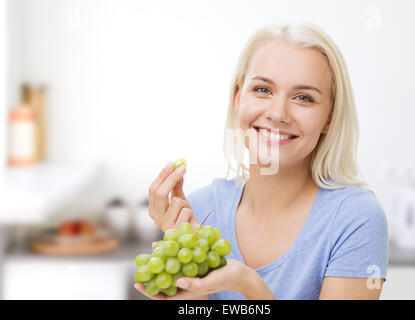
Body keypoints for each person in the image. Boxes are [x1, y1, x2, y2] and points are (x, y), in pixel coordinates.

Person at [135, 22, 388, 300]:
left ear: (329, 117)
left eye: (303, 98)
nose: (278, 113)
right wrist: (192, 282)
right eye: (263, 90)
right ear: (237, 98)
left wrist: (248, 284)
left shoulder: (355, 218)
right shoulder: (202, 209)